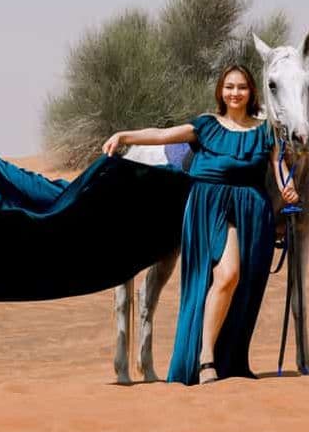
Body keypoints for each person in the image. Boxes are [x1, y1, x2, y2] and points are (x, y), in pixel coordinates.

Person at [101, 65, 298, 385]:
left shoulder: (266, 132)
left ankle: (216, 357)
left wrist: (289, 189)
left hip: (250, 211)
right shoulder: (206, 125)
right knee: (229, 273)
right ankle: (205, 359)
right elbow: (163, 135)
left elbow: (280, 169)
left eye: (242, 87)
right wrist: (124, 135)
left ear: (252, 93)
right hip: (209, 207)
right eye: (230, 87)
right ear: (221, 91)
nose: (236, 93)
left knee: (232, 283)